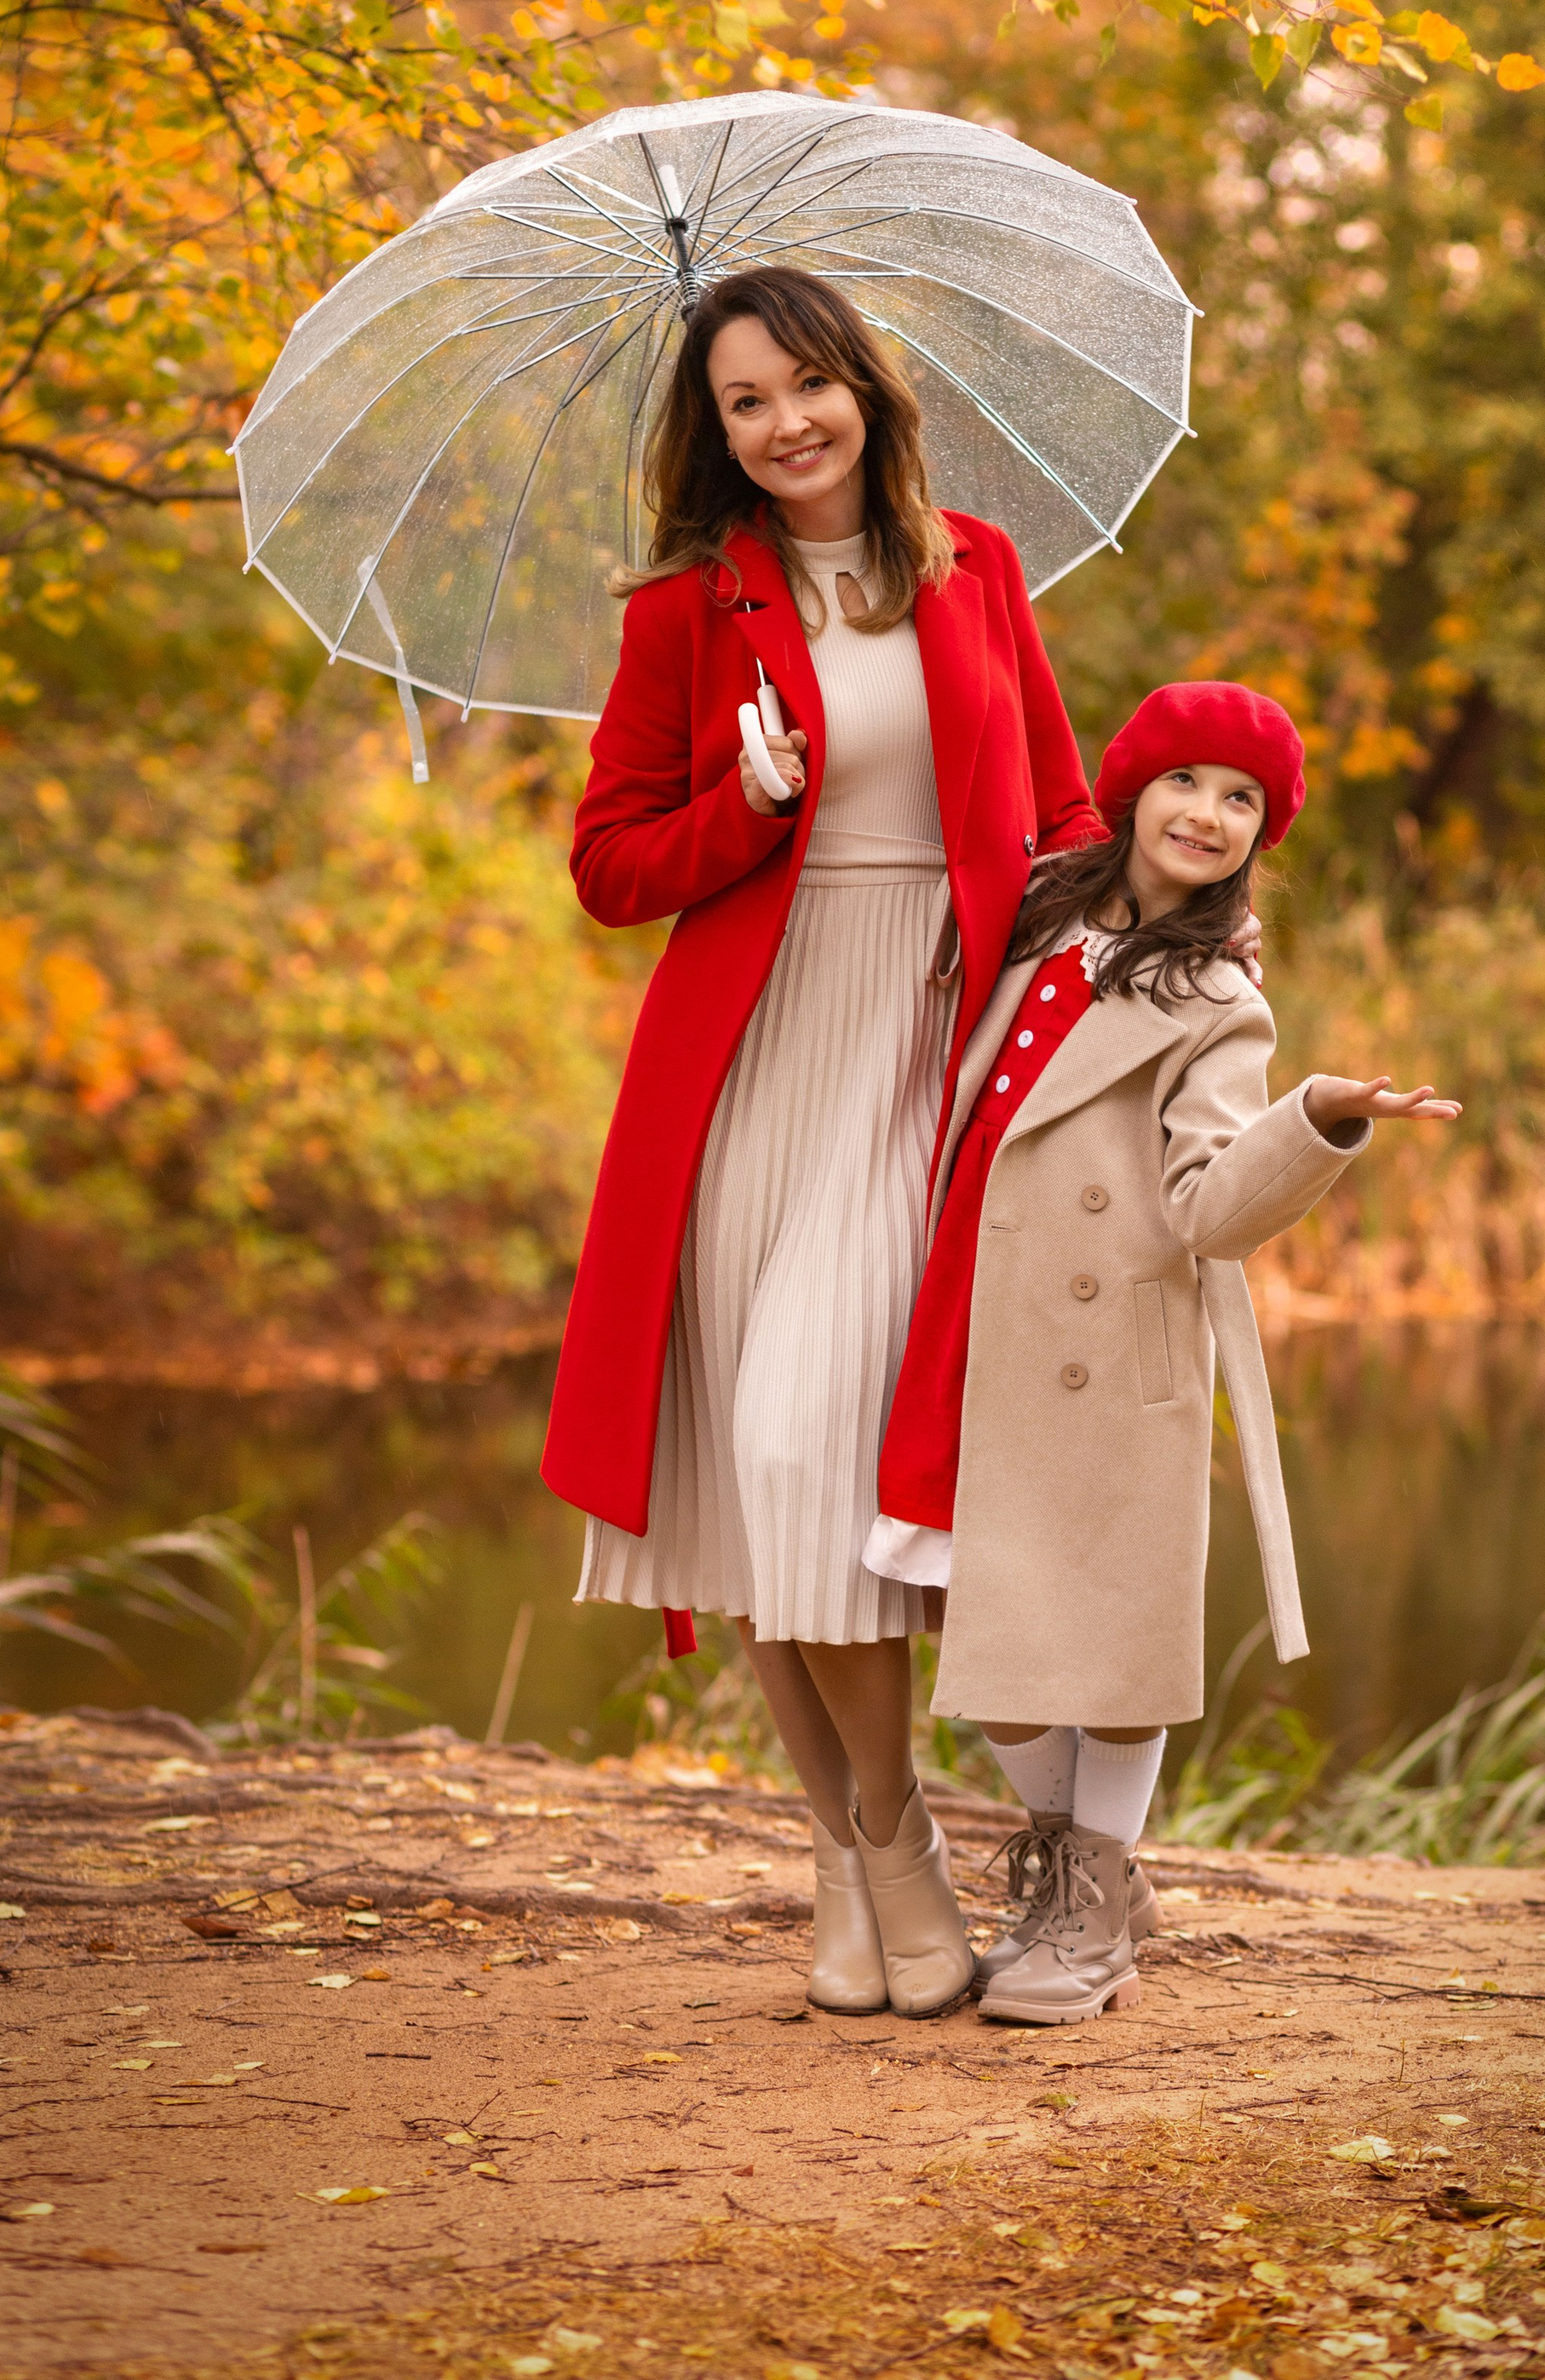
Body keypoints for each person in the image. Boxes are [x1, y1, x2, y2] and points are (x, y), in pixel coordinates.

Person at [544, 261, 1100, 2019]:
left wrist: (1156, 940)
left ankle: (877, 1839)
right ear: (714, 434)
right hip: (750, 1067)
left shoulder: (976, 569)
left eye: (806, 385)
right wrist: (747, 801)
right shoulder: (685, 612)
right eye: (745, 402)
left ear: (863, 388)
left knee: (812, 1448)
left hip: (925, 1050)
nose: (785, 423)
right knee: (758, 1477)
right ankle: (875, 1843)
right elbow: (607, 865)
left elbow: (1064, 812)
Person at [871, 680, 1462, 2025]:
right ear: (1131, 790)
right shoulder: (1034, 913)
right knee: (975, 1607)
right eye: (1187, 781)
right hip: (970, 1308)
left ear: (1262, 834)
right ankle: (1086, 1876)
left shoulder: (1220, 997)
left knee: (1114, 1640)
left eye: (1243, 799)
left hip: (1105, 1340)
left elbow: (1209, 1211)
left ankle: (1087, 1902)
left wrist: (1315, 1118)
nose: (1209, 813)